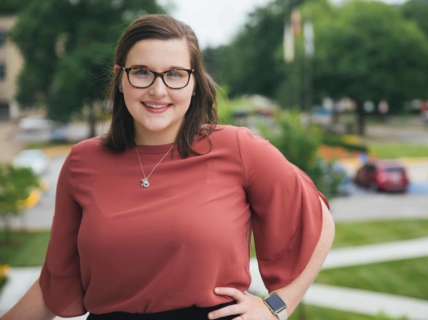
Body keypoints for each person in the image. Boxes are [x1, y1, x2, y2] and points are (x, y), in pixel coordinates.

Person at [1, 14, 334, 320]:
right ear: (120, 78)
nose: (158, 89)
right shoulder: (81, 162)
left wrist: (278, 307)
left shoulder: (238, 148)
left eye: (175, 74)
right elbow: (54, 281)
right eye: (142, 72)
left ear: (193, 83)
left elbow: (319, 222)